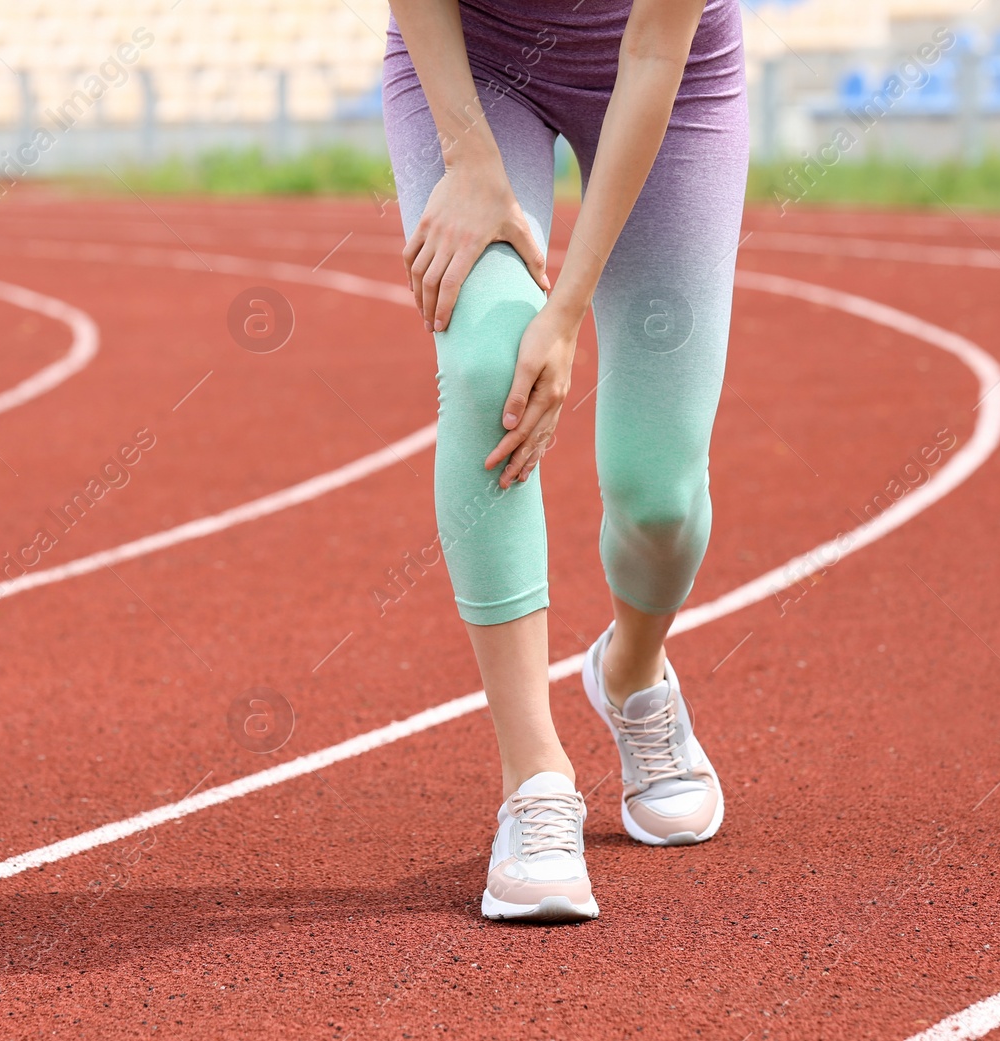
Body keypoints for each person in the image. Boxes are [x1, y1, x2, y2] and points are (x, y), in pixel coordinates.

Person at [383, 0, 748, 921]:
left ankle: (630, 669)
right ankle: (534, 775)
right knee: (486, 366)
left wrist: (568, 308)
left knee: (658, 492)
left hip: (672, 62)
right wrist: (470, 162)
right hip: (476, 61)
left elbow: (655, 42)